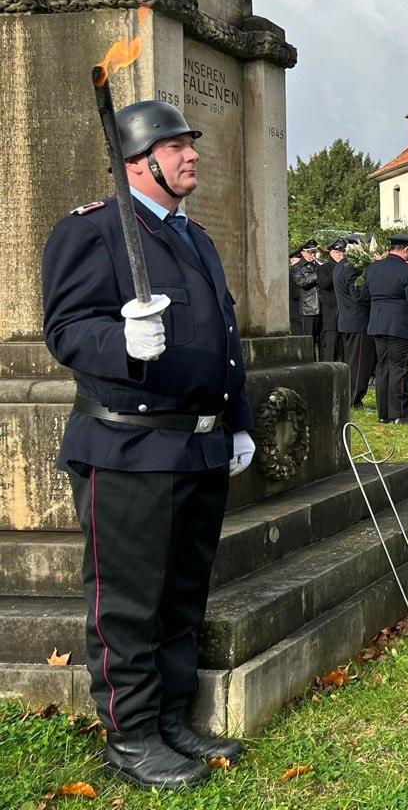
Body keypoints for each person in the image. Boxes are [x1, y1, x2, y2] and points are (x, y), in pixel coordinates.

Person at [41, 100, 254, 790]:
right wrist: (122, 344)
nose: (192, 155)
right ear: (139, 161)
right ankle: (130, 736)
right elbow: (68, 329)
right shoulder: (96, 231)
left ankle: (169, 719)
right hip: (127, 448)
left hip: (197, 446)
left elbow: (223, 342)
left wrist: (238, 418)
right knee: (128, 602)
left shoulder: (195, 237)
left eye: (191, 144)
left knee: (181, 597)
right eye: (177, 146)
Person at [366, 233, 408, 424]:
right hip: (400, 325)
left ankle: (384, 413)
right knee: (399, 370)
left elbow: (364, 296)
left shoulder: (372, 269)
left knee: (383, 368)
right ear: (406, 249)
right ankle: (399, 414)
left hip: (377, 324)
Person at [334, 238, 373, 408]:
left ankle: (351, 397)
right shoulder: (352, 267)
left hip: (349, 320)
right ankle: (354, 399)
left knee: (352, 362)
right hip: (358, 321)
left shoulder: (340, 265)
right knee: (359, 364)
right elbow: (358, 295)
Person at [292, 240, 321, 360]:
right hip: (308, 309)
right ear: (303, 252)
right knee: (309, 341)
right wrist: (318, 274)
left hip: (321, 307)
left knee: (321, 340)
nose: (312, 255)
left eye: (314, 252)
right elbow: (302, 282)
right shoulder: (297, 268)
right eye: (309, 252)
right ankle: (309, 363)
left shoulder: (317, 265)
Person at [317, 239, 344, 362]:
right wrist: (336, 268)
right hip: (331, 313)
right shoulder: (325, 268)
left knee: (343, 347)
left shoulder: (346, 267)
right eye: (338, 252)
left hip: (344, 312)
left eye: (342, 251)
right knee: (331, 345)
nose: (341, 254)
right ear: (331, 253)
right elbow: (324, 284)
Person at [288, 247, 303, 334]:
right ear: (292, 260)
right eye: (299, 258)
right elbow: (294, 293)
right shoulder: (293, 272)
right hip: (295, 309)